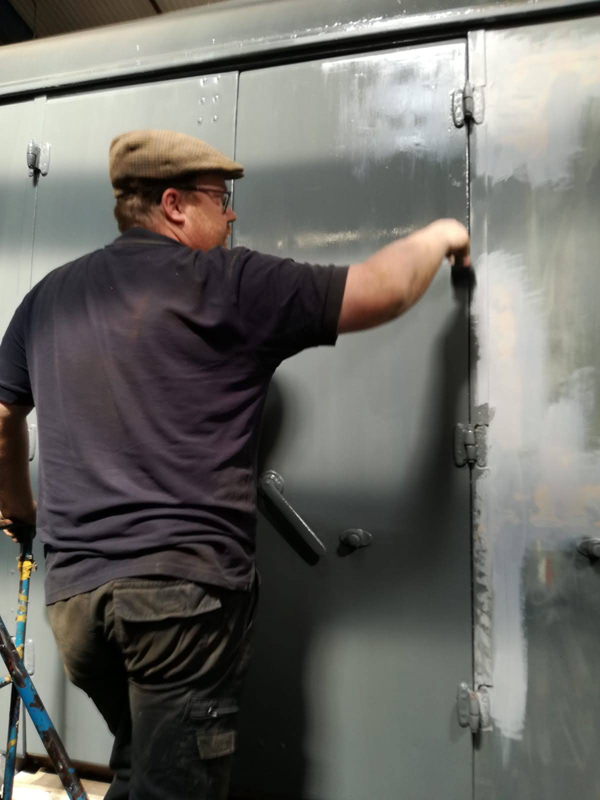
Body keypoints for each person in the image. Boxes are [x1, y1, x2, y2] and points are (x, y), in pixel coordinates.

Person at [0, 129, 470, 799]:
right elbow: (382, 289)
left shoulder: (49, 296)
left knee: (141, 766)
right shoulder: (226, 283)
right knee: (176, 785)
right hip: (177, 605)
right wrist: (442, 235)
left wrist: (19, 507)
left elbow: (2, 418)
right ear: (173, 204)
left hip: (76, 606)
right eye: (220, 198)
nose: (232, 214)